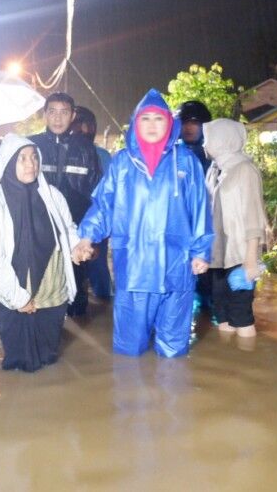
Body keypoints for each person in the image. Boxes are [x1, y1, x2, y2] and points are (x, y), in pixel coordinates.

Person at [75, 89, 213, 357]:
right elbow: (104, 205)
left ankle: (172, 395)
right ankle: (129, 396)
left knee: (174, 350)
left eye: (158, 119)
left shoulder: (185, 161)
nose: (152, 125)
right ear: (136, 123)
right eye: (145, 119)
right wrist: (86, 238)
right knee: (129, 349)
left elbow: (200, 210)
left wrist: (201, 251)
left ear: (169, 123)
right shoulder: (123, 163)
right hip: (135, 269)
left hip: (178, 267)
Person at [0, 134, 81, 372]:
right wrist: (18, 298)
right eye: (22, 158)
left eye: (34, 157)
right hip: (14, 293)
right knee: (20, 361)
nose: (30, 164)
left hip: (52, 292)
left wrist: (77, 246)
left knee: (48, 357)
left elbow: (67, 229)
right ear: (8, 163)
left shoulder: (52, 195)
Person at [29, 93, 102, 316]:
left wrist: (94, 239)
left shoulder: (87, 150)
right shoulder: (32, 146)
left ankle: (78, 329)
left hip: (76, 230)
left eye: (64, 112)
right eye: (52, 111)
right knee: (41, 285)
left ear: (72, 116)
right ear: (45, 115)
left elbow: (98, 195)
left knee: (77, 288)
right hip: (39, 228)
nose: (58, 118)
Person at [202, 118, 268, 338]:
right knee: (221, 313)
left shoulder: (245, 170)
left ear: (223, 140)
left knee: (241, 314)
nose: (204, 143)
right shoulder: (214, 170)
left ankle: (248, 360)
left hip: (240, 255)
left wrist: (251, 259)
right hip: (218, 255)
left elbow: (254, 216)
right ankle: (227, 361)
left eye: (209, 138)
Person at [70, 106, 113, 299]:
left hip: (96, 221)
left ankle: (104, 304)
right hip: (69, 219)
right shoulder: (63, 152)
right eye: (77, 124)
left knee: (97, 268)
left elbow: (109, 195)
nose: (81, 129)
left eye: (85, 125)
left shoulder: (102, 155)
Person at [175, 100, 214, 314]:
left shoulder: (215, 156)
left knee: (210, 293)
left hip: (208, 234)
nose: (189, 127)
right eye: (185, 122)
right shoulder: (171, 156)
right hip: (180, 234)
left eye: (195, 123)